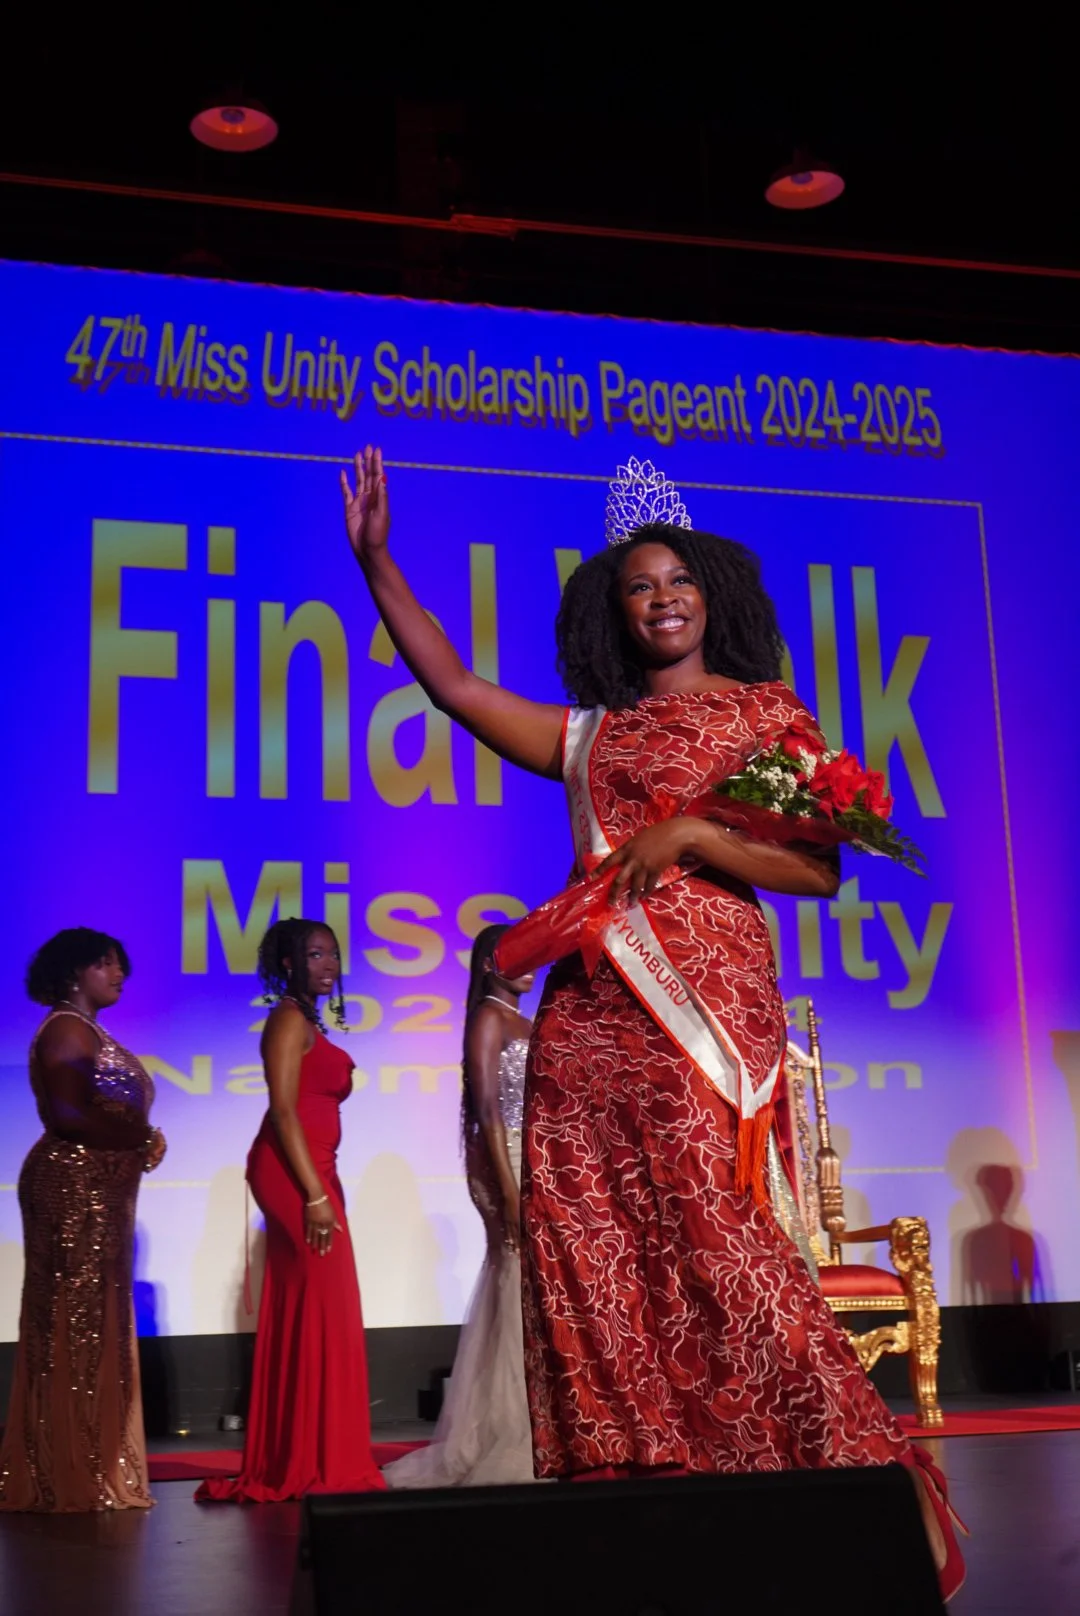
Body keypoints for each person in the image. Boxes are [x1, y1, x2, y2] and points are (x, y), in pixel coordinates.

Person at [341, 447, 964, 1599]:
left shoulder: (769, 714)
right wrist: (381, 566)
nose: (662, 597)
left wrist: (686, 840)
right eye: (639, 585)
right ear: (612, 612)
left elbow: (821, 874)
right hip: (591, 1026)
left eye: (677, 578)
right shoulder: (592, 735)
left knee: (722, 1248)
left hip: (705, 1018)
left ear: (711, 591)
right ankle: (636, 1503)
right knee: (593, 1252)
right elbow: (460, 691)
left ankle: (839, 1484)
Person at [196, 918, 384, 1502]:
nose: (329, 964)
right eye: (316, 954)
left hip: (316, 1173)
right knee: (321, 1301)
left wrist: (323, 1187)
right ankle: (311, 1458)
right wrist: (316, 1196)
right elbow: (283, 1113)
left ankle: (313, 1451)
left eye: (333, 954)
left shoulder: (309, 1021)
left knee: (322, 1306)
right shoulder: (285, 1019)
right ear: (288, 964)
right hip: (292, 1175)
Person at [0, 928, 165, 1513]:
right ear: (74, 973)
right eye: (105, 963)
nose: (118, 972)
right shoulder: (67, 1028)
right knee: (74, 1322)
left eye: (121, 962)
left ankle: (89, 1460)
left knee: (93, 1319)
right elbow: (68, 1116)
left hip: (102, 1190)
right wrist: (140, 1134)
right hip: (72, 1189)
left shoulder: (89, 1030)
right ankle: (64, 1470)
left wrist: (136, 1142)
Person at [383, 926, 538, 1488]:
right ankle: (511, 1430)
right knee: (515, 1280)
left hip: (543, 1163)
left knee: (534, 1293)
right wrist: (508, 1186)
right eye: (518, 955)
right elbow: (490, 1113)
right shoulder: (490, 1019)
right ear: (491, 966)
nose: (530, 964)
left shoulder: (529, 1019)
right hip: (512, 1161)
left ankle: (539, 1420)